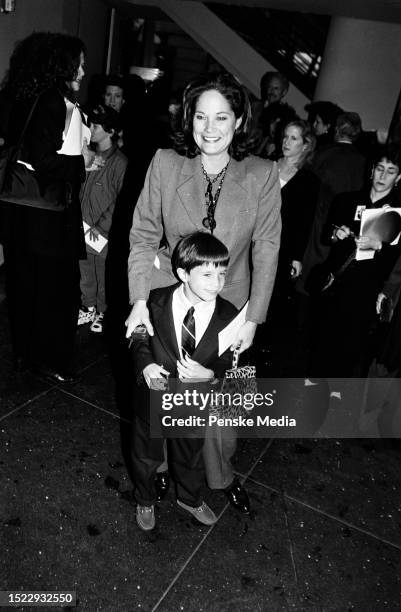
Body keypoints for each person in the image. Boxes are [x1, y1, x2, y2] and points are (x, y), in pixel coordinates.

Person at [126, 71, 281, 513]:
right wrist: (139, 300)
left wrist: (253, 319)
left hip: (230, 307)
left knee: (224, 406)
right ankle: (156, 474)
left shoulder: (262, 174)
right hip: (168, 298)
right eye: (200, 117)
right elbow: (142, 234)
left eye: (221, 117)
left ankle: (220, 475)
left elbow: (267, 249)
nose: (209, 129)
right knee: (164, 395)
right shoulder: (166, 161)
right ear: (189, 119)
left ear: (238, 122)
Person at [129, 232, 241, 531]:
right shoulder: (155, 300)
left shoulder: (229, 314)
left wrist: (212, 375)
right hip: (155, 395)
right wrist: (146, 363)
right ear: (182, 273)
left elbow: (233, 359)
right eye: (206, 274)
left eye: (221, 274)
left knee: (190, 456)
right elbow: (139, 334)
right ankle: (145, 498)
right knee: (146, 455)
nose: (216, 283)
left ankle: (190, 499)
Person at [0, 32, 95, 383]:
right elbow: (44, 158)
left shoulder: (21, 96)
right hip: (46, 214)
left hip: (19, 209)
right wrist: (81, 163)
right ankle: (48, 360)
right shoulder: (52, 101)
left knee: (25, 286)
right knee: (56, 289)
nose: (84, 71)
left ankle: (27, 356)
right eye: (80, 64)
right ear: (63, 65)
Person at [309, 145, 401, 380]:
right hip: (334, 285)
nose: (382, 175)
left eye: (390, 171)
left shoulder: (396, 214)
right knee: (319, 348)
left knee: (348, 356)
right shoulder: (346, 200)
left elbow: (395, 260)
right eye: (379, 168)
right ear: (371, 170)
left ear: (399, 177)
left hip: (365, 293)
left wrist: (380, 245)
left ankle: (337, 403)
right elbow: (325, 236)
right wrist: (336, 234)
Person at [266, 120, 319, 355]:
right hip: (253, 242)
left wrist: (297, 257)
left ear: (306, 145)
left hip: (282, 250)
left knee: (269, 306)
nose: (286, 142)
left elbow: (304, 223)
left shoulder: (309, 180)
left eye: (294, 138)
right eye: (285, 137)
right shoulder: (266, 166)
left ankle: (254, 366)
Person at [78, 104, 127, 333]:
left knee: (103, 274)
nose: (90, 128)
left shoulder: (120, 163)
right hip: (83, 226)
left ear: (110, 130)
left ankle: (103, 311)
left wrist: (102, 226)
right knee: (84, 271)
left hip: (101, 232)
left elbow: (120, 201)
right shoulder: (88, 154)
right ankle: (88, 307)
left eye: (96, 125)